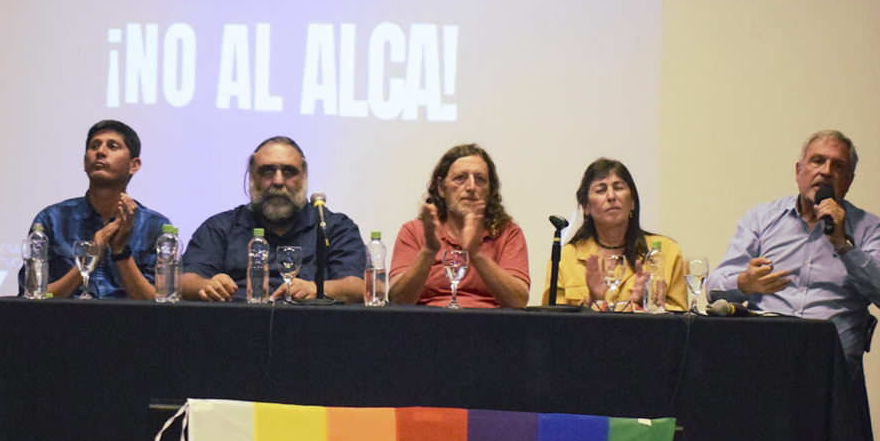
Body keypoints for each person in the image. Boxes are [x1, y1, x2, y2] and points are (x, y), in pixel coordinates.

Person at [708, 130, 880, 360]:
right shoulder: (761, 220)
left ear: (849, 180)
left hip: (832, 366)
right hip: (763, 358)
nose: (826, 171)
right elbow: (713, 290)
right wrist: (744, 283)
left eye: (838, 166)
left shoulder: (868, 227)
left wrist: (844, 245)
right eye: (817, 161)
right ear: (798, 171)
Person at [181, 136, 366, 302]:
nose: (278, 181)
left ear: (304, 177)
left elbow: (357, 286)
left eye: (289, 171)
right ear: (251, 177)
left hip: (312, 323)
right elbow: (184, 280)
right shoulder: (220, 227)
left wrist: (318, 289)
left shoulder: (333, 227)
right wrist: (207, 285)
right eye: (268, 171)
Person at [23, 120, 170, 299]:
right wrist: (90, 259)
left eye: (113, 146)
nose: (100, 152)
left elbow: (159, 303)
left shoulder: (155, 227)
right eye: (94, 146)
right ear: (85, 163)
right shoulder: (52, 220)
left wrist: (121, 253)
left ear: (134, 165)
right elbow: (32, 296)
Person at [389, 144, 530, 308]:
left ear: (489, 190)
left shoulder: (507, 233)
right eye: (460, 178)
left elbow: (518, 301)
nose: (471, 187)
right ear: (441, 188)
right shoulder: (414, 231)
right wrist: (428, 250)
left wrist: (476, 254)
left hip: (488, 322)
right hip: (429, 321)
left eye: (480, 179)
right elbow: (398, 300)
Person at [544, 158, 688, 311]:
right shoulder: (565, 257)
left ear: (632, 201)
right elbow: (553, 320)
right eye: (601, 190)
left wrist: (645, 303)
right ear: (586, 206)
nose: (611, 196)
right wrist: (593, 301)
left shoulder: (666, 251)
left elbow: (682, 317)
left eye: (618, 188)